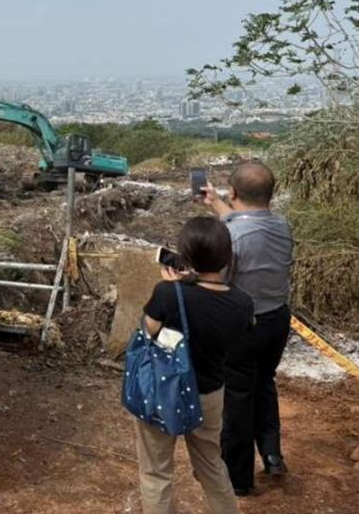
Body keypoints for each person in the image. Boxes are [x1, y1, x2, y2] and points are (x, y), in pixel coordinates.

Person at [137, 216, 254, 514]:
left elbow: (148, 330)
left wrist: (173, 289)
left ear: (185, 256)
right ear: (227, 257)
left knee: (156, 471)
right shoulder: (243, 303)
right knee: (211, 465)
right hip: (210, 393)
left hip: (166, 390)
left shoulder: (168, 293)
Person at [200, 161, 295, 495]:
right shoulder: (282, 225)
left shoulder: (230, 235)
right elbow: (244, 222)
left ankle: (238, 480)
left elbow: (219, 277)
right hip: (277, 321)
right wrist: (215, 201)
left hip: (244, 327)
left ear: (234, 191)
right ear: (272, 193)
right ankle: (271, 455)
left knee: (237, 400)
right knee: (264, 384)